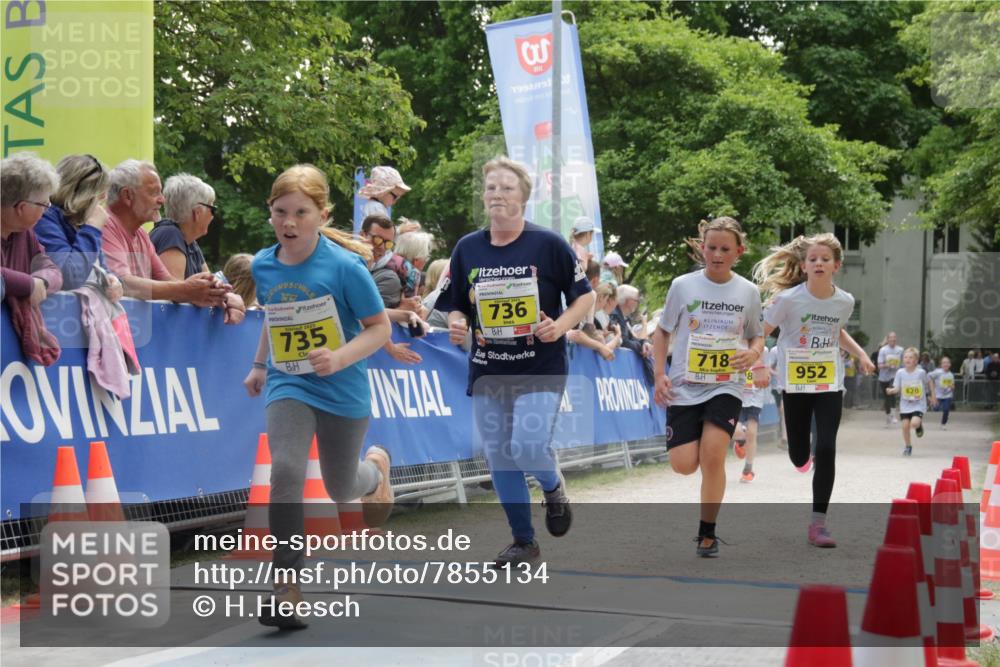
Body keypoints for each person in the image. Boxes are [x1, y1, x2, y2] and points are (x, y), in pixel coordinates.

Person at [243, 164, 394, 629]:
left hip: (342, 387)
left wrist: (340, 358)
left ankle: (377, 472)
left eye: (300, 213)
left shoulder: (345, 267)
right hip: (290, 382)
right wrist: (259, 364)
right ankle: (286, 587)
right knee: (285, 469)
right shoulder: (264, 264)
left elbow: (380, 329)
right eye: (280, 212)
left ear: (321, 214)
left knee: (339, 486)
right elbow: (275, 313)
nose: (288, 223)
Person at [436, 156, 594, 567]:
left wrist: (558, 326)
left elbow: (585, 297)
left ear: (524, 196)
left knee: (526, 445)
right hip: (490, 368)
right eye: (490, 188)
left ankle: (553, 487)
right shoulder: (467, 247)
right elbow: (453, 305)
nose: (497, 194)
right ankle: (524, 542)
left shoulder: (549, 244)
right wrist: (456, 324)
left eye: (506, 187)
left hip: (540, 365)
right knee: (500, 453)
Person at [652, 217, 764, 558]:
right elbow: (662, 331)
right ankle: (706, 438)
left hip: (726, 385)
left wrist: (753, 353)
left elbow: (757, 333)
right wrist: (660, 374)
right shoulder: (682, 285)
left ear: (738, 252)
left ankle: (707, 533)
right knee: (684, 464)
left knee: (713, 456)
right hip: (685, 385)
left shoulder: (748, 291)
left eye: (725, 249)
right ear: (702, 248)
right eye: (711, 247)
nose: (717, 254)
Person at [753, 232, 874, 548]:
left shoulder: (844, 301)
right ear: (803, 266)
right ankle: (800, 456)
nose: (819, 263)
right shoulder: (788, 300)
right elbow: (760, 333)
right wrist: (759, 364)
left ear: (836, 265)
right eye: (813, 259)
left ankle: (818, 524)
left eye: (825, 259)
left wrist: (860, 354)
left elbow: (838, 332)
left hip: (828, 383)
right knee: (798, 454)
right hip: (795, 383)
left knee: (827, 448)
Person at [101, 160, 244, 323]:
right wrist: (188, 291)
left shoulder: (140, 234)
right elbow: (123, 283)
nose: (162, 200)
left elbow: (167, 280)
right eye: (154, 192)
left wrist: (220, 296)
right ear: (127, 196)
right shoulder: (105, 225)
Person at [1, 152, 64, 365]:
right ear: (21, 207)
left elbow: (53, 270)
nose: (46, 212)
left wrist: (41, 282)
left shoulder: (26, 233)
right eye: (44, 205)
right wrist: (28, 284)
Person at [34, 154, 123, 299]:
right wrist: (92, 228)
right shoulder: (45, 218)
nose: (103, 199)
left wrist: (113, 281)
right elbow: (68, 277)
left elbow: (99, 270)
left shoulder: (79, 223)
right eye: (99, 193)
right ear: (81, 193)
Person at [886, 347, 937, 456]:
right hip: (905, 404)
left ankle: (918, 425)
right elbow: (897, 387)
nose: (907, 359)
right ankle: (908, 446)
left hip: (918, 404)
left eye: (910, 357)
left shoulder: (921, 372)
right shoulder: (900, 372)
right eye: (905, 357)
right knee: (905, 426)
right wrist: (891, 390)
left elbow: (929, 382)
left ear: (916, 360)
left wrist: (932, 396)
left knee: (913, 423)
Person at [733, 347, 769, 483]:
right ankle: (740, 442)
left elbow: (767, 371)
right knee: (735, 431)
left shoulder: (763, 349)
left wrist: (765, 376)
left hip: (755, 397)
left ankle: (748, 469)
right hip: (737, 396)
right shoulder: (734, 345)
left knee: (752, 433)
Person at [877, 332, 904, 426]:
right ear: (888, 339)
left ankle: (893, 415)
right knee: (886, 397)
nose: (893, 339)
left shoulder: (900, 350)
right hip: (883, 377)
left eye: (894, 338)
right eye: (891, 338)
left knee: (892, 394)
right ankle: (888, 415)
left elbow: (902, 364)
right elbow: (879, 365)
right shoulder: (883, 350)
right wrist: (887, 365)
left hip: (895, 376)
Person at [929, 356, 955, 429]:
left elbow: (953, 385)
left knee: (946, 410)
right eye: (944, 363)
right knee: (936, 409)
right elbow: (929, 376)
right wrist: (932, 388)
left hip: (947, 395)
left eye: (947, 363)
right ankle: (931, 401)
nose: (945, 364)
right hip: (938, 395)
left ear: (950, 364)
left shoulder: (951, 375)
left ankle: (943, 424)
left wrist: (952, 388)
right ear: (941, 364)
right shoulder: (938, 372)